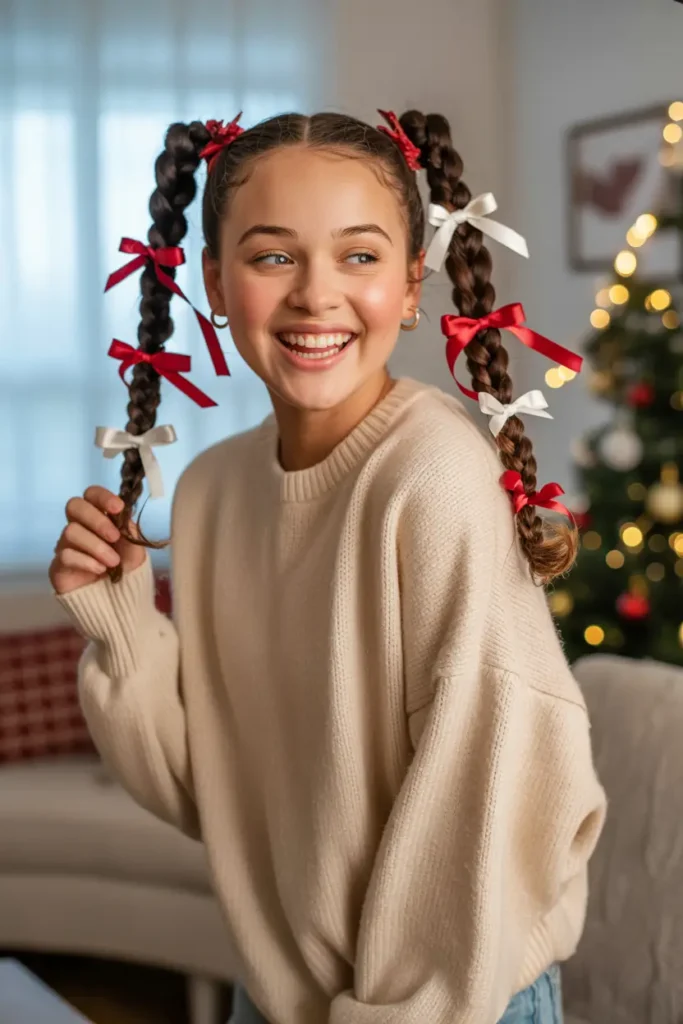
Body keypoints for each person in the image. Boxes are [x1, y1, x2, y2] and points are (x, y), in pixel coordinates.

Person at [49, 109, 606, 1024]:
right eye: (273, 258)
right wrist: (121, 625)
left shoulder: (432, 479)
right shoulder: (213, 491)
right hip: (277, 996)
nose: (317, 295)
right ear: (215, 284)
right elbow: (213, 796)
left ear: (413, 285)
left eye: (358, 256)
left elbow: (481, 811)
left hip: (441, 1004)